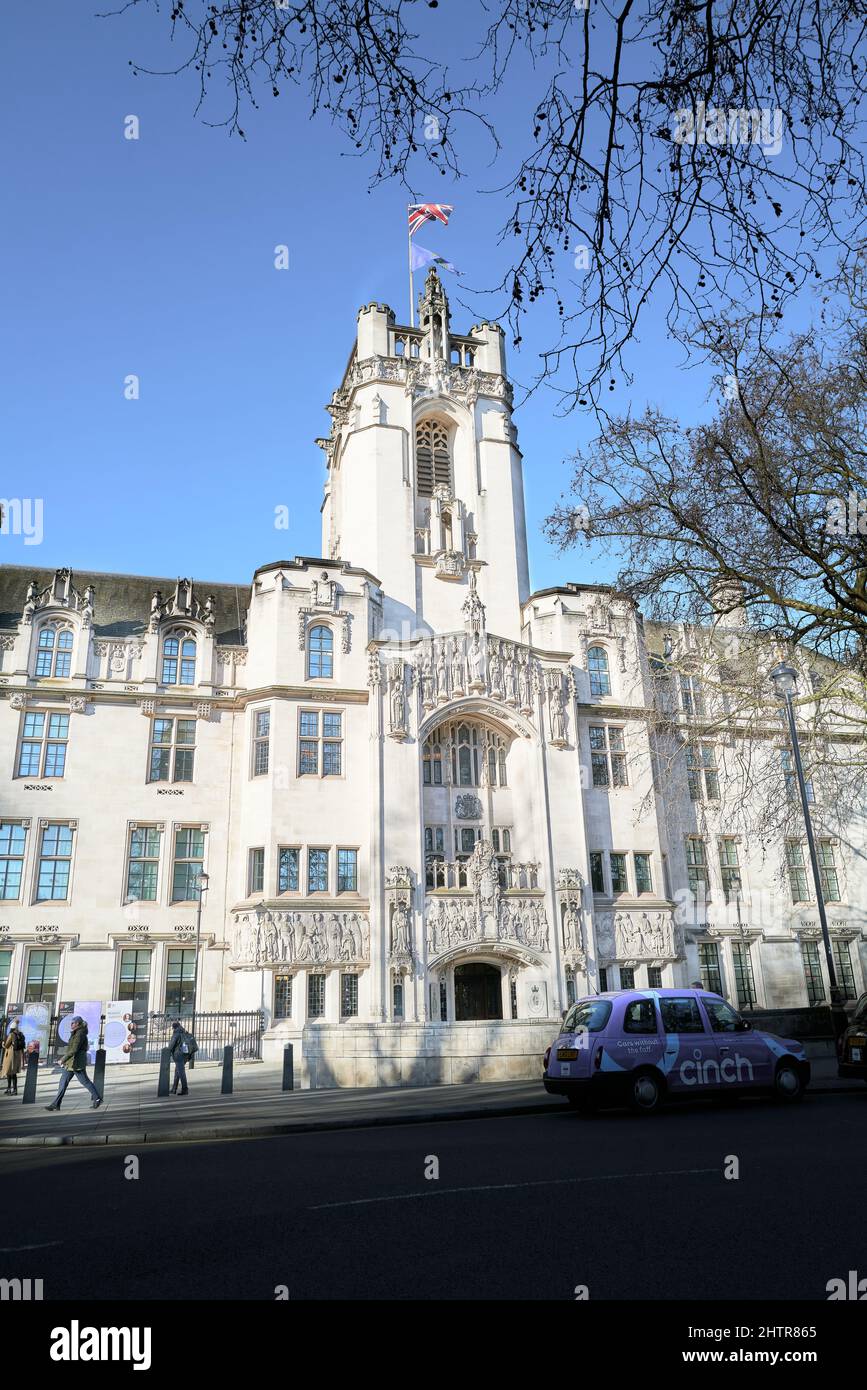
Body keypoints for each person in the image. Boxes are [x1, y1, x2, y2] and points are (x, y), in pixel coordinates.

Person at [45, 1016, 101, 1111]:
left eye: (73, 1023)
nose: (71, 1024)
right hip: (70, 1063)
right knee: (63, 1083)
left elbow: (74, 1049)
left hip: (76, 1063)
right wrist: (66, 1060)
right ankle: (56, 1104)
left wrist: (63, 1059)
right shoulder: (76, 1033)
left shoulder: (80, 1034)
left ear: (77, 1024)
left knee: (85, 1082)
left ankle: (98, 1098)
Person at [168, 1019, 197, 1095]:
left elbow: (171, 1045)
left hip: (178, 1055)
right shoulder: (185, 1032)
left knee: (181, 1072)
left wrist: (167, 1052)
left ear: (174, 1028)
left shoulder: (176, 1033)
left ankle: (185, 1089)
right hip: (185, 1055)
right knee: (177, 1071)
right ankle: (174, 1089)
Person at [2, 1020, 26, 1095]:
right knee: (14, 1073)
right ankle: (14, 1089)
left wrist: (3, 1044)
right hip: (17, 1055)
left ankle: (9, 1088)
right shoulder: (21, 1034)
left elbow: (6, 1045)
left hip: (10, 1055)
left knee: (9, 1072)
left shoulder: (11, 1034)